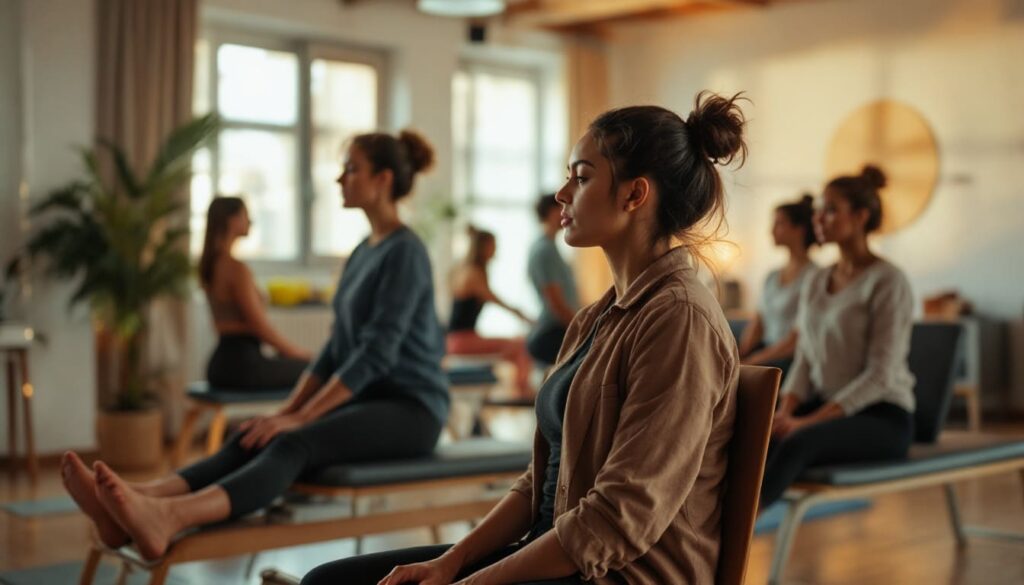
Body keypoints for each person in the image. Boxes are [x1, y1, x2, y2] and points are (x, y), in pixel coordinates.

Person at [302, 92, 747, 585]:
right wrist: (450, 561)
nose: (561, 193)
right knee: (329, 580)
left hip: (618, 574)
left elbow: (618, 520)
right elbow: (540, 480)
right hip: (556, 552)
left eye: (581, 177)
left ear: (634, 195)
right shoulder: (595, 318)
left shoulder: (680, 319)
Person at [59, 129, 450, 561]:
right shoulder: (363, 252)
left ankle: (170, 516)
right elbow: (336, 348)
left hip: (413, 409)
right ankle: (138, 500)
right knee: (255, 432)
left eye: (352, 169)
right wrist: (285, 411)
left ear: (384, 180)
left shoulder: (406, 253)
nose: (340, 179)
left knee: (291, 442)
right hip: (368, 402)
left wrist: (300, 419)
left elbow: (376, 353)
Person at [760, 165, 916, 508]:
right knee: (755, 436)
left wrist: (804, 423)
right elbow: (805, 356)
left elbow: (880, 376)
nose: (820, 218)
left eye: (831, 210)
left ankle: (724, 542)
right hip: (828, 409)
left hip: (882, 416)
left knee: (797, 443)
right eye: (818, 211)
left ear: (861, 216)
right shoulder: (817, 280)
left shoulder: (888, 281)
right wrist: (786, 412)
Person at [199, 196, 311, 390]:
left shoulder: (211, 265)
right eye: (245, 215)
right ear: (232, 220)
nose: (250, 221)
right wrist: (296, 352)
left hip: (220, 364)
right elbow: (259, 326)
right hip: (242, 366)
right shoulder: (235, 268)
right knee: (316, 371)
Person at [447, 226, 534, 394]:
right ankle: (523, 394)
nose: (496, 249)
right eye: (493, 245)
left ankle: (520, 391)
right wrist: (524, 317)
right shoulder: (473, 274)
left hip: (457, 340)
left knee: (518, 345)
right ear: (484, 246)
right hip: (461, 341)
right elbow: (496, 300)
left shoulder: (466, 269)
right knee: (521, 345)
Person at [737, 194, 817, 372]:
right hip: (765, 350)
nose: (771, 230)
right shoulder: (772, 276)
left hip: (790, 359)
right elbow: (758, 322)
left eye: (780, 224)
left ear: (800, 229)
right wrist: (741, 354)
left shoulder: (814, 277)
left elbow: (796, 340)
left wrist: (754, 361)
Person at [526, 194, 580, 366]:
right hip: (552, 332)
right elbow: (555, 302)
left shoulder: (550, 247)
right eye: (561, 208)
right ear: (551, 212)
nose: (567, 212)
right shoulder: (545, 250)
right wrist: (583, 328)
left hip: (556, 329)